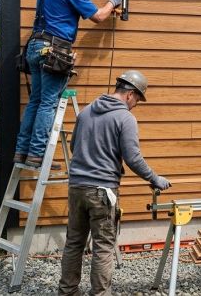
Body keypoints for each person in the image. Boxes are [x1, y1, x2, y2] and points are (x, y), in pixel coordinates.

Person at [58, 70, 172, 296]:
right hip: (102, 192)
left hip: (77, 187)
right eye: (138, 99)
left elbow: (74, 148)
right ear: (130, 94)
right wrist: (154, 178)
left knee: (74, 243)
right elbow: (133, 157)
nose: (136, 104)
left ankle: (67, 291)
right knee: (103, 247)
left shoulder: (86, 112)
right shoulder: (125, 118)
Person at [14, 0, 127, 167]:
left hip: (35, 48)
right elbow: (97, 16)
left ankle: (21, 152)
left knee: (35, 101)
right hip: (55, 50)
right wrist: (113, 2)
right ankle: (37, 154)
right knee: (48, 103)